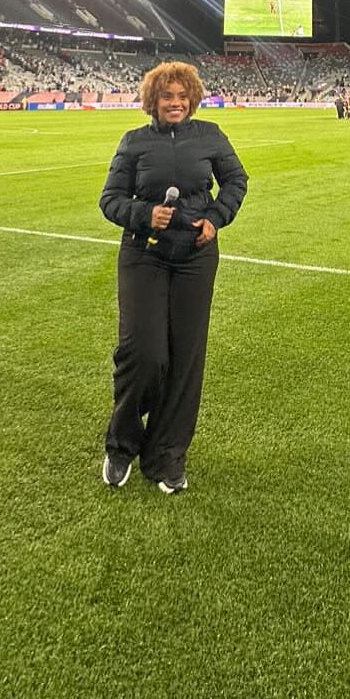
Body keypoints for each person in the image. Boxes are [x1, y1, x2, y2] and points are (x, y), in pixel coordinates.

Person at [98, 61, 247, 494]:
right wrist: (144, 214)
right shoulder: (134, 143)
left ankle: (167, 457)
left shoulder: (211, 135)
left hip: (196, 257)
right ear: (153, 102)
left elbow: (236, 180)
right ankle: (122, 444)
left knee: (185, 361)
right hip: (143, 255)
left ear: (192, 99)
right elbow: (109, 199)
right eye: (167, 96)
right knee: (143, 354)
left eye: (182, 96)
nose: (175, 103)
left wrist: (216, 218)